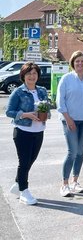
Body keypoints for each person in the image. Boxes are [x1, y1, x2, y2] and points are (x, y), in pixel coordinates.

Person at [6, 62, 51, 205]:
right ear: (23, 76)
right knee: (24, 162)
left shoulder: (42, 90)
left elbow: (47, 106)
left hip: (39, 131)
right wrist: (25, 114)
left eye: (35, 73)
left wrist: (47, 114)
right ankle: (24, 192)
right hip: (22, 132)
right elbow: (9, 112)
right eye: (29, 73)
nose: (32, 76)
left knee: (31, 160)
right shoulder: (18, 92)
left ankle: (18, 183)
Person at [57, 51, 83, 197]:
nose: (80, 64)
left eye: (82, 61)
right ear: (72, 63)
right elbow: (60, 102)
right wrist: (68, 119)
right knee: (72, 152)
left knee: (80, 152)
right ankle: (65, 184)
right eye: (77, 61)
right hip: (70, 120)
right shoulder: (66, 79)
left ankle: (75, 182)